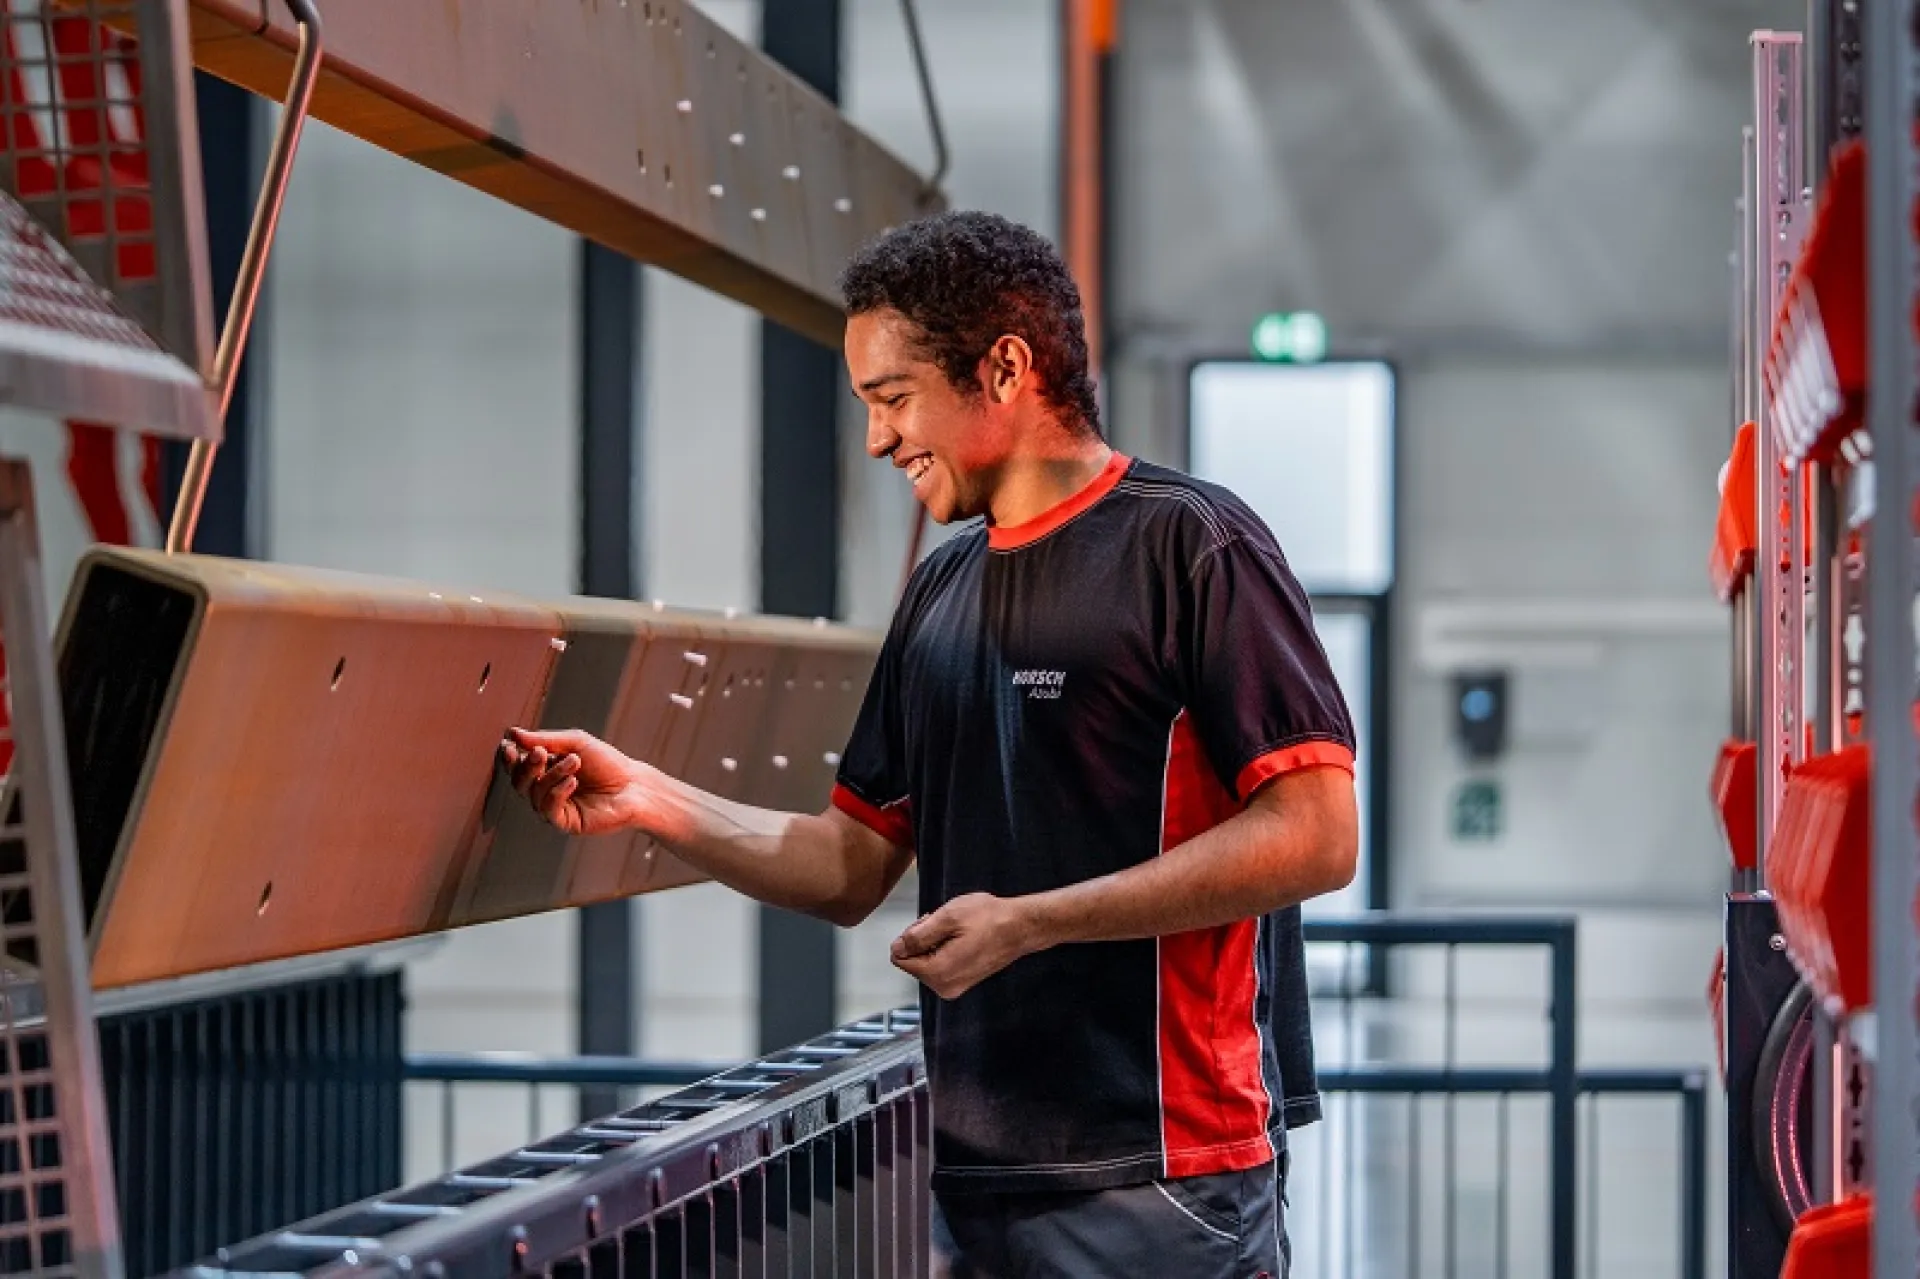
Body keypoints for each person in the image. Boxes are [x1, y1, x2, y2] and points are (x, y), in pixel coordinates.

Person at [501, 210, 1358, 1278]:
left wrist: (1032, 923)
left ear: (1004, 368)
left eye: (893, 398)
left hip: (1161, 1175)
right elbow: (850, 862)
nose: (876, 439)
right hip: (962, 1173)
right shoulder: (942, 589)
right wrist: (650, 800)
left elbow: (1318, 834)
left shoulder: (1190, 544)